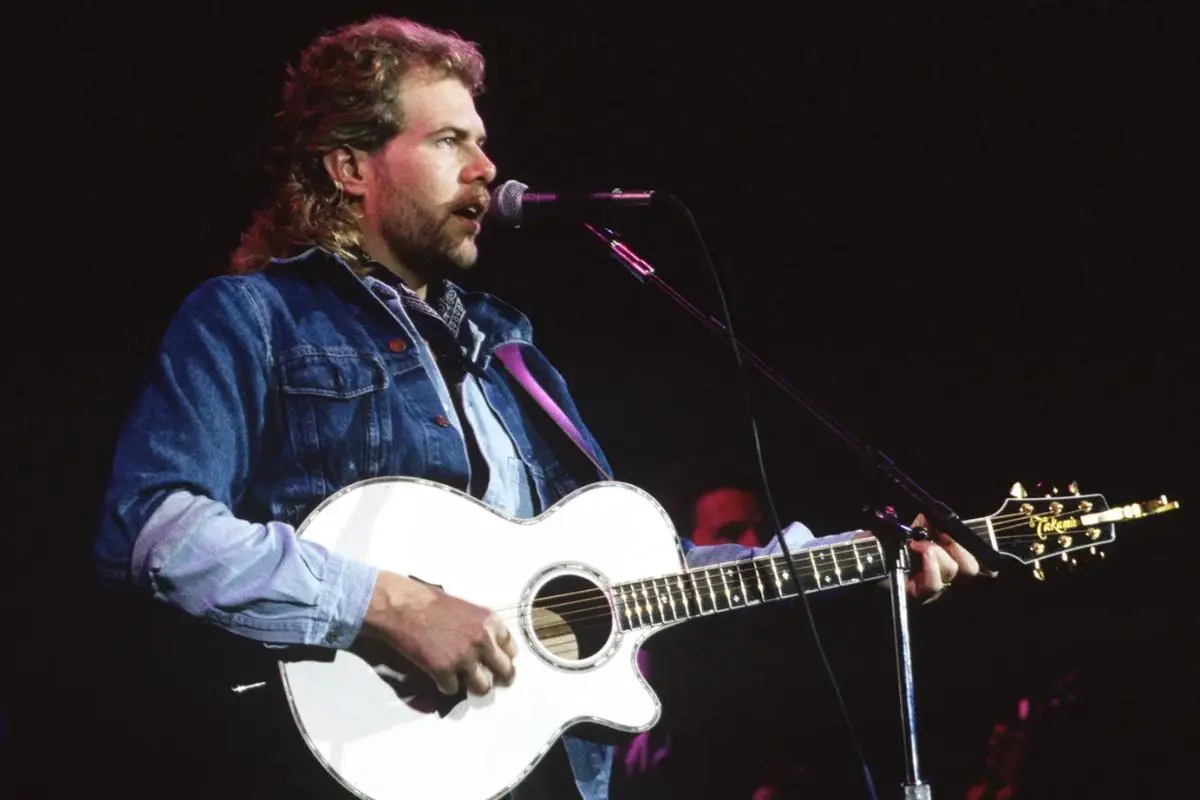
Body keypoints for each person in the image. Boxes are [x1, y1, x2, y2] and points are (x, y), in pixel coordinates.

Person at [90, 15, 984, 800]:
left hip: (543, 771)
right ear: (350, 165)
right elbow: (153, 529)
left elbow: (641, 570)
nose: (487, 169)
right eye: (449, 142)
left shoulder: (509, 349)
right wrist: (390, 606)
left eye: (481, 142)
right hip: (352, 761)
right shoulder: (251, 316)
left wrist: (858, 562)